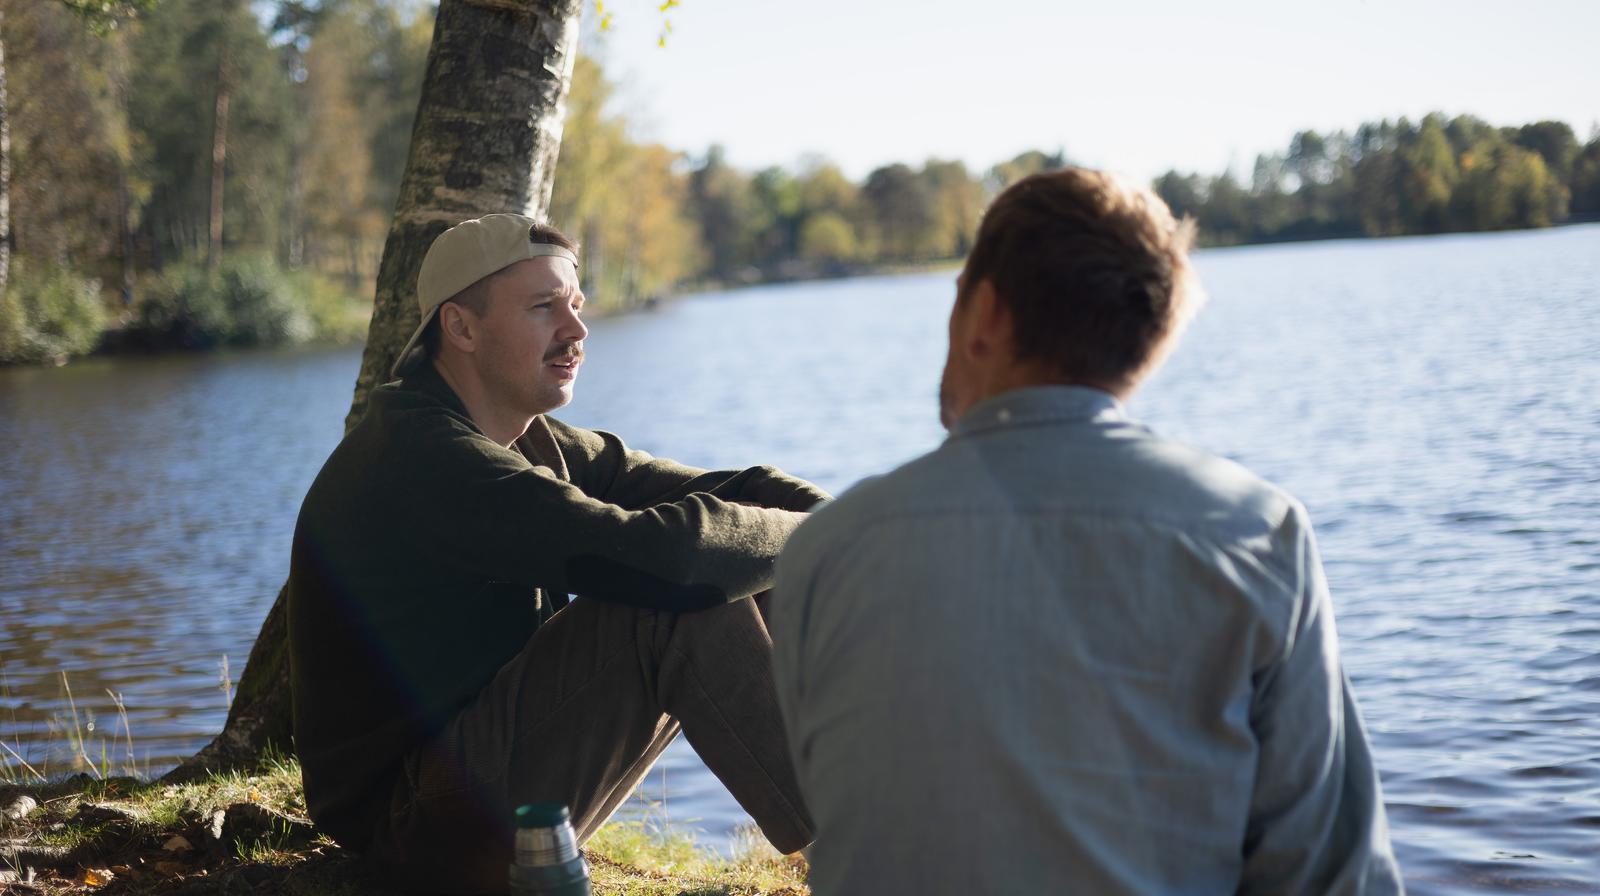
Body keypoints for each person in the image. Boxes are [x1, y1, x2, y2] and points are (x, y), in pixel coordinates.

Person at [770, 169, 1404, 894]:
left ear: (985, 315)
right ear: (1150, 342)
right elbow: (1333, 876)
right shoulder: (1257, 536)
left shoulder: (827, 551)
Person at [286, 214, 822, 893]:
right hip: (414, 834)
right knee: (672, 601)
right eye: (544, 308)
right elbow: (663, 560)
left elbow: (729, 492)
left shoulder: (527, 437)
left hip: (473, 787)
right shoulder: (425, 458)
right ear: (462, 328)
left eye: (575, 305)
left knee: (747, 552)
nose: (576, 331)